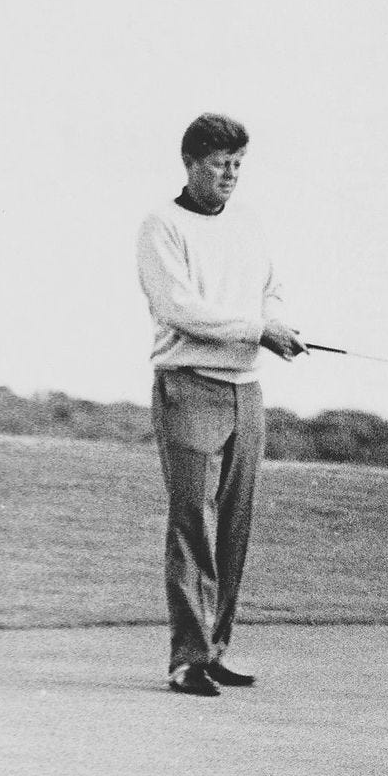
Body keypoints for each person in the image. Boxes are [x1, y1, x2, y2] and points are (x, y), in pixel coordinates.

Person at [137, 113, 307, 696]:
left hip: (247, 390)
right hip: (189, 385)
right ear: (191, 164)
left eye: (238, 164)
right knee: (193, 521)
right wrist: (258, 329)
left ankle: (215, 649)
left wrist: (274, 321)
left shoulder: (249, 223)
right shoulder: (161, 226)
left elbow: (271, 287)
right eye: (220, 164)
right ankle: (186, 659)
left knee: (234, 523)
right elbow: (178, 308)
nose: (231, 174)